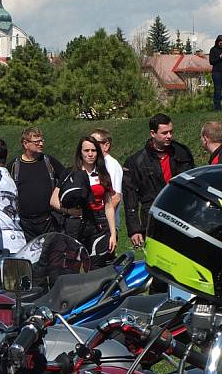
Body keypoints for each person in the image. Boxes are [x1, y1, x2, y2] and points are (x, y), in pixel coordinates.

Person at [123, 113, 194, 248]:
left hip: (182, 216)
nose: (169, 136)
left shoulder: (181, 152)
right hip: (153, 219)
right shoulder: (136, 162)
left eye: (171, 132)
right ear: (153, 133)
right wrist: (134, 229)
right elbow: (130, 198)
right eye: (164, 133)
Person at [50, 136, 116, 267]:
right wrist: (69, 211)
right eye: (86, 150)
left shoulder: (103, 174)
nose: (90, 154)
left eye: (93, 150)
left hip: (98, 225)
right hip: (75, 224)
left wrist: (113, 233)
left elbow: (108, 206)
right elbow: (53, 201)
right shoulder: (70, 172)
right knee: (73, 265)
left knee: (96, 266)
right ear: (80, 152)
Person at [10, 127, 65, 240]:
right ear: (25, 143)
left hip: (49, 221)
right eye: (37, 142)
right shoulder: (14, 166)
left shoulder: (48, 161)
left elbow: (66, 179)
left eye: (42, 141)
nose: (41, 144)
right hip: (25, 224)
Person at [90, 128, 122, 225]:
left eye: (95, 142)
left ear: (106, 145)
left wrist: (102, 220)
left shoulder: (112, 165)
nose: (91, 145)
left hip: (105, 225)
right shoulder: (95, 165)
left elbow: (116, 197)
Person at [208, 35, 222, 112]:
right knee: (217, 90)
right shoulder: (213, 50)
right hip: (217, 73)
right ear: (217, 42)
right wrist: (219, 57)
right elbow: (211, 62)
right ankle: (217, 108)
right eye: (220, 42)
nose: (221, 44)